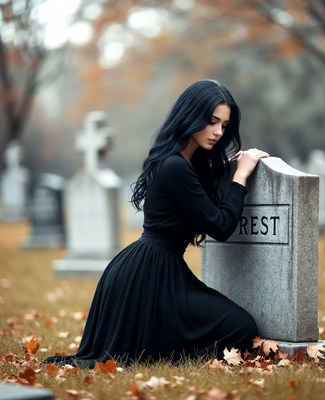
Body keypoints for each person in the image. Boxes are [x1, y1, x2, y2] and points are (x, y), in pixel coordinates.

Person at [45, 79, 269, 368]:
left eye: (224, 125)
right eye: (212, 121)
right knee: (241, 326)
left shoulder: (180, 163)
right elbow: (220, 226)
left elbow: (203, 195)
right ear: (191, 115)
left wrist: (227, 168)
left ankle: (162, 351)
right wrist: (241, 176)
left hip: (154, 269)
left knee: (236, 325)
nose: (218, 132)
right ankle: (167, 356)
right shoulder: (175, 166)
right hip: (150, 277)